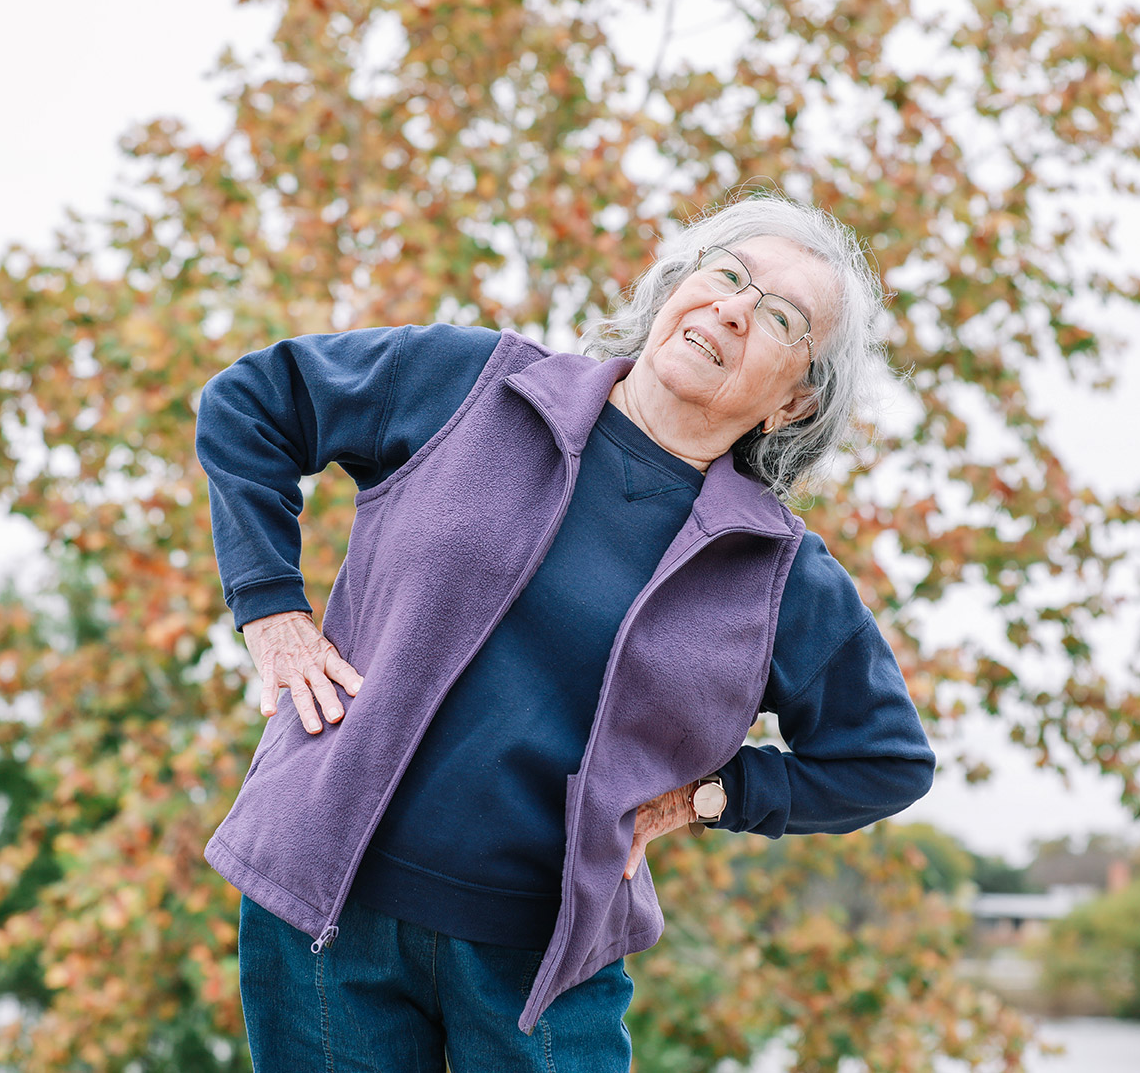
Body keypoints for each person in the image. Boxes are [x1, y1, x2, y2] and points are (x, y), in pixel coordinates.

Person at [195, 192, 936, 1072]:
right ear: (674, 289)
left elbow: (883, 760)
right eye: (727, 275)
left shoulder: (781, 577)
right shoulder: (470, 384)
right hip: (322, 917)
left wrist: (706, 797)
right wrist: (272, 608)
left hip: (542, 975)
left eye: (779, 317)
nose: (734, 308)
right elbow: (250, 403)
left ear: (794, 402)